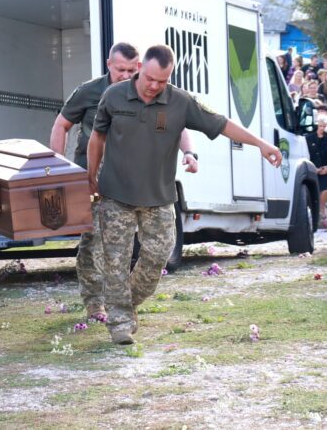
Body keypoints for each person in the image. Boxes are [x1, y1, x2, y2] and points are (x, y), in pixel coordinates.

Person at [87, 44, 282, 345]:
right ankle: (120, 323)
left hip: (160, 196)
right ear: (140, 68)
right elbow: (97, 137)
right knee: (116, 260)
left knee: (157, 256)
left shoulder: (180, 101)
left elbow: (223, 124)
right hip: (116, 196)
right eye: (149, 78)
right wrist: (92, 176)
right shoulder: (113, 96)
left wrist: (261, 145)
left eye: (161, 81)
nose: (154, 86)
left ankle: (125, 303)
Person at [49, 42, 198, 321]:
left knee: (128, 247)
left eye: (132, 69)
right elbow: (62, 124)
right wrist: (58, 165)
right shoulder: (89, 91)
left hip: (130, 180)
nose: (125, 74)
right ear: (109, 65)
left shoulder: (145, 93)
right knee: (92, 242)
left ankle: (123, 302)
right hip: (92, 180)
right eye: (120, 69)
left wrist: (188, 153)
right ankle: (95, 303)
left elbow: (177, 126)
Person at [307, 111, 327, 225]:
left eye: (324, 126)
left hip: (325, 170)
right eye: (320, 126)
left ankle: (322, 210)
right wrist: (314, 168)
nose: (322, 128)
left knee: (325, 191)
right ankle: (318, 214)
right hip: (313, 168)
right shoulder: (309, 139)